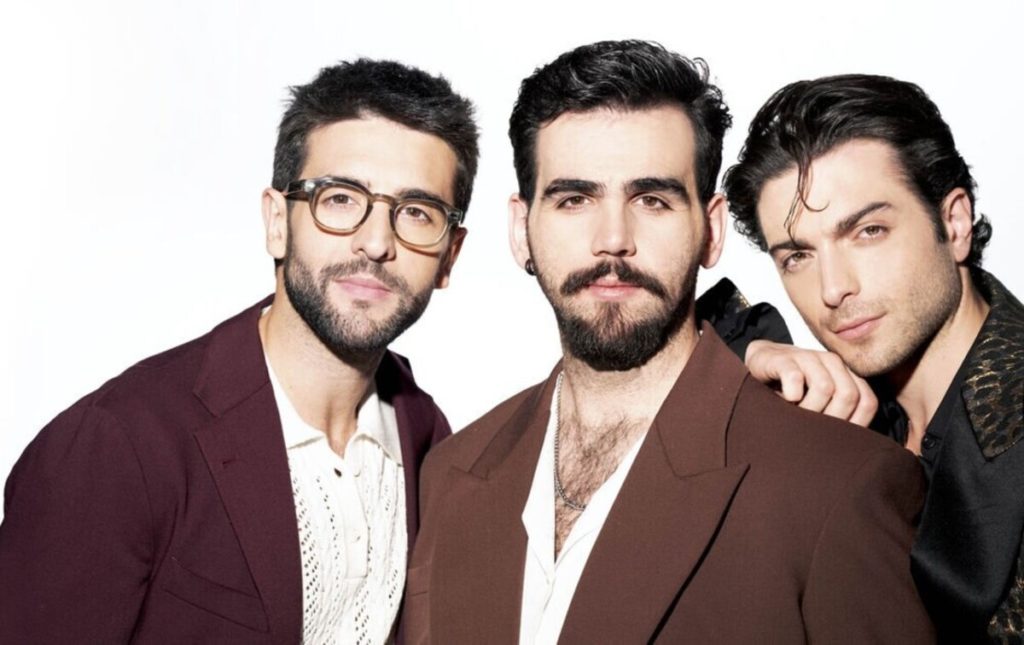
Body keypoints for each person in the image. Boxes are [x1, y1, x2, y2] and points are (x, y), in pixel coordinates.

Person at [406, 40, 933, 643]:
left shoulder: (839, 484)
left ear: (711, 231)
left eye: (652, 200)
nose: (613, 239)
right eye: (574, 199)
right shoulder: (451, 469)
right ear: (521, 230)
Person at [0, 58, 477, 643]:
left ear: (449, 256)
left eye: (417, 213)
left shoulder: (428, 437)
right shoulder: (118, 444)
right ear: (277, 222)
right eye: (340, 199)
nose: (376, 242)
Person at [723, 73, 1024, 642]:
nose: (833, 288)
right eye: (797, 257)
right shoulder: (842, 412)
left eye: (868, 231)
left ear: (954, 223)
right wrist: (744, 356)